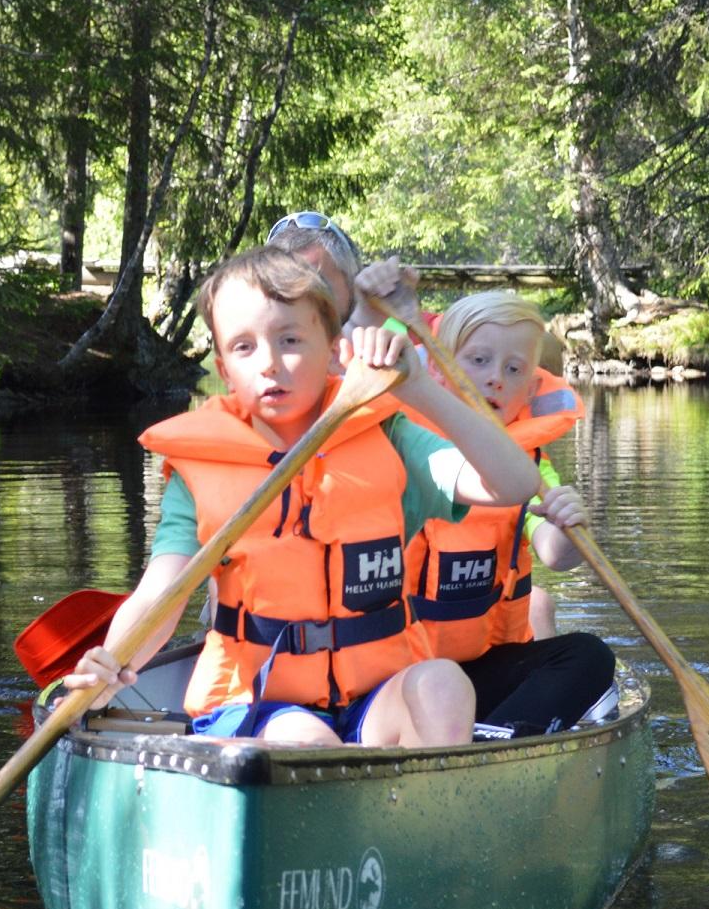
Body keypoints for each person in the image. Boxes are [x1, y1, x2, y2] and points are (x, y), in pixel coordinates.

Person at [64, 248, 542, 748]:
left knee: (443, 683)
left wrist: (418, 388)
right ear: (224, 368)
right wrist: (111, 661)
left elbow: (513, 483)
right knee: (306, 740)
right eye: (244, 347)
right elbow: (161, 594)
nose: (270, 363)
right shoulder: (199, 470)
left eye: (290, 340)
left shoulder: (390, 439)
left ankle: (418, 792)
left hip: (374, 697)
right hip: (257, 704)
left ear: (334, 351)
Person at [407, 290, 615, 735]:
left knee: (590, 656)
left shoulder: (531, 466)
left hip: (483, 668)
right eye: (478, 361)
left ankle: (495, 739)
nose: (495, 379)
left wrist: (570, 522)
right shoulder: (405, 446)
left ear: (531, 389)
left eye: (513, 369)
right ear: (439, 371)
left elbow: (556, 554)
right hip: (402, 673)